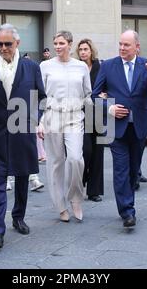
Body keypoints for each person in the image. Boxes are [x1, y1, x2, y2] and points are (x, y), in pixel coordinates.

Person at [0, 23, 46, 249]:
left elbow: (42, 98)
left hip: (23, 129)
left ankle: (18, 217)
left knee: (21, 175)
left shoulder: (32, 67)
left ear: (17, 43)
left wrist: (37, 119)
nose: (3, 47)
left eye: (8, 43)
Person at [92, 30, 147, 228]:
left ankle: (128, 201)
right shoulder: (108, 66)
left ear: (137, 47)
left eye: (126, 45)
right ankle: (127, 211)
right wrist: (110, 108)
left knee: (134, 171)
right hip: (117, 128)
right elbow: (95, 95)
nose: (122, 48)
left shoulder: (146, 65)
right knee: (121, 170)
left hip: (140, 126)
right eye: (120, 44)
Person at [39, 31, 92, 222]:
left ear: (70, 44)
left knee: (76, 159)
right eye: (55, 43)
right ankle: (60, 206)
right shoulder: (45, 66)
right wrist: (40, 122)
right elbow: (39, 95)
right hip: (52, 115)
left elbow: (88, 94)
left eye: (61, 43)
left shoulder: (81, 67)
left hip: (75, 116)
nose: (58, 47)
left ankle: (76, 198)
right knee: (55, 162)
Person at [75, 38, 104, 202]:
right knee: (85, 151)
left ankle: (94, 191)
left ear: (91, 51)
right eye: (80, 50)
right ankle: (81, 180)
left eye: (86, 49)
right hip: (80, 114)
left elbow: (108, 84)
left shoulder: (101, 67)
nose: (83, 52)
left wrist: (106, 94)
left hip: (99, 113)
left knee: (98, 153)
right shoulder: (76, 68)